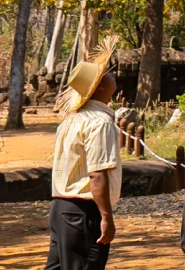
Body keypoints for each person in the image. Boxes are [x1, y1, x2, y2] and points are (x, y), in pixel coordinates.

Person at [47, 49, 121, 270]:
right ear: (99, 87)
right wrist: (106, 217)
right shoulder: (99, 122)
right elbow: (97, 174)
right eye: (105, 75)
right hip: (84, 210)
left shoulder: (71, 120)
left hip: (61, 207)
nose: (111, 74)